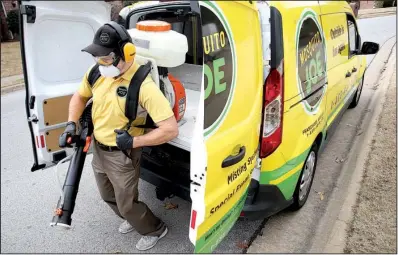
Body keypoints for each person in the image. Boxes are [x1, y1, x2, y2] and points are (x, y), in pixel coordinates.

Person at [58, 22, 178, 251]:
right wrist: (70, 124)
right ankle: (132, 217)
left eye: (106, 57)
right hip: (100, 149)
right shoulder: (97, 73)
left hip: (123, 153)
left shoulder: (143, 86)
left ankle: (155, 228)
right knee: (106, 195)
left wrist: (134, 141)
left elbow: (170, 129)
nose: (100, 62)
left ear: (126, 54)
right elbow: (79, 96)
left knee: (127, 204)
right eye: (97, 57)